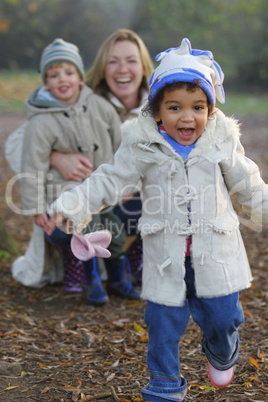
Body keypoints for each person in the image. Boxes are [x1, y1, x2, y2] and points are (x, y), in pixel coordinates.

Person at [46, 38, 268, 401]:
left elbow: (249, 185)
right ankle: (164, 387)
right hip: (166, 255)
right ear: (157, 111)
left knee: (223, 317)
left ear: (210, 110)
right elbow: (108, 179)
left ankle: (222, 348)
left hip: (216, 252)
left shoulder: (220, 142)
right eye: (174, 107)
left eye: (197, 107)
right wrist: (72, 202)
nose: (186, 117)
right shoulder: (143, 146)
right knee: (162, 324)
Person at [5, 29, 153, 288]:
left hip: (132, 196)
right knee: (68, 219)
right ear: (101, 67)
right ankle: (81, 259)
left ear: (143, 67)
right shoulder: (77, 97)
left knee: (163, 205)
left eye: (131, 60)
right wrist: (55, 157)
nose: (122, 69)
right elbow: (18, 142)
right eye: (113, 61)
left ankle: (134, 256)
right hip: (83, 191)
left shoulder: (158, 107)